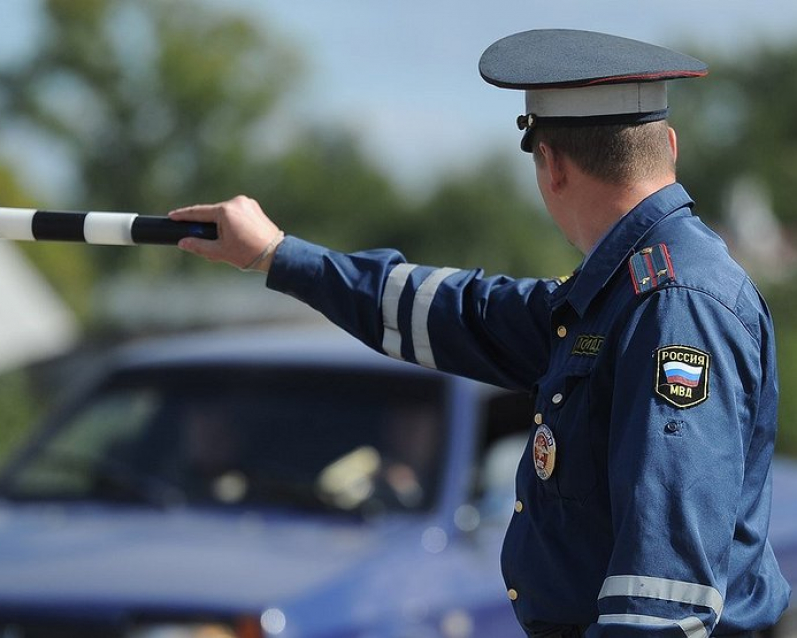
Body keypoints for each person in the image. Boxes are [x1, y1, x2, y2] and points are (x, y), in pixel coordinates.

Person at [167, 29, 791, 638]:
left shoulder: (670, 303)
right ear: (670, 146)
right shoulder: (625, 292)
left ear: (549, 163)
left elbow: (662, 601)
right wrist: (278, 255)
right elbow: (460, 312)